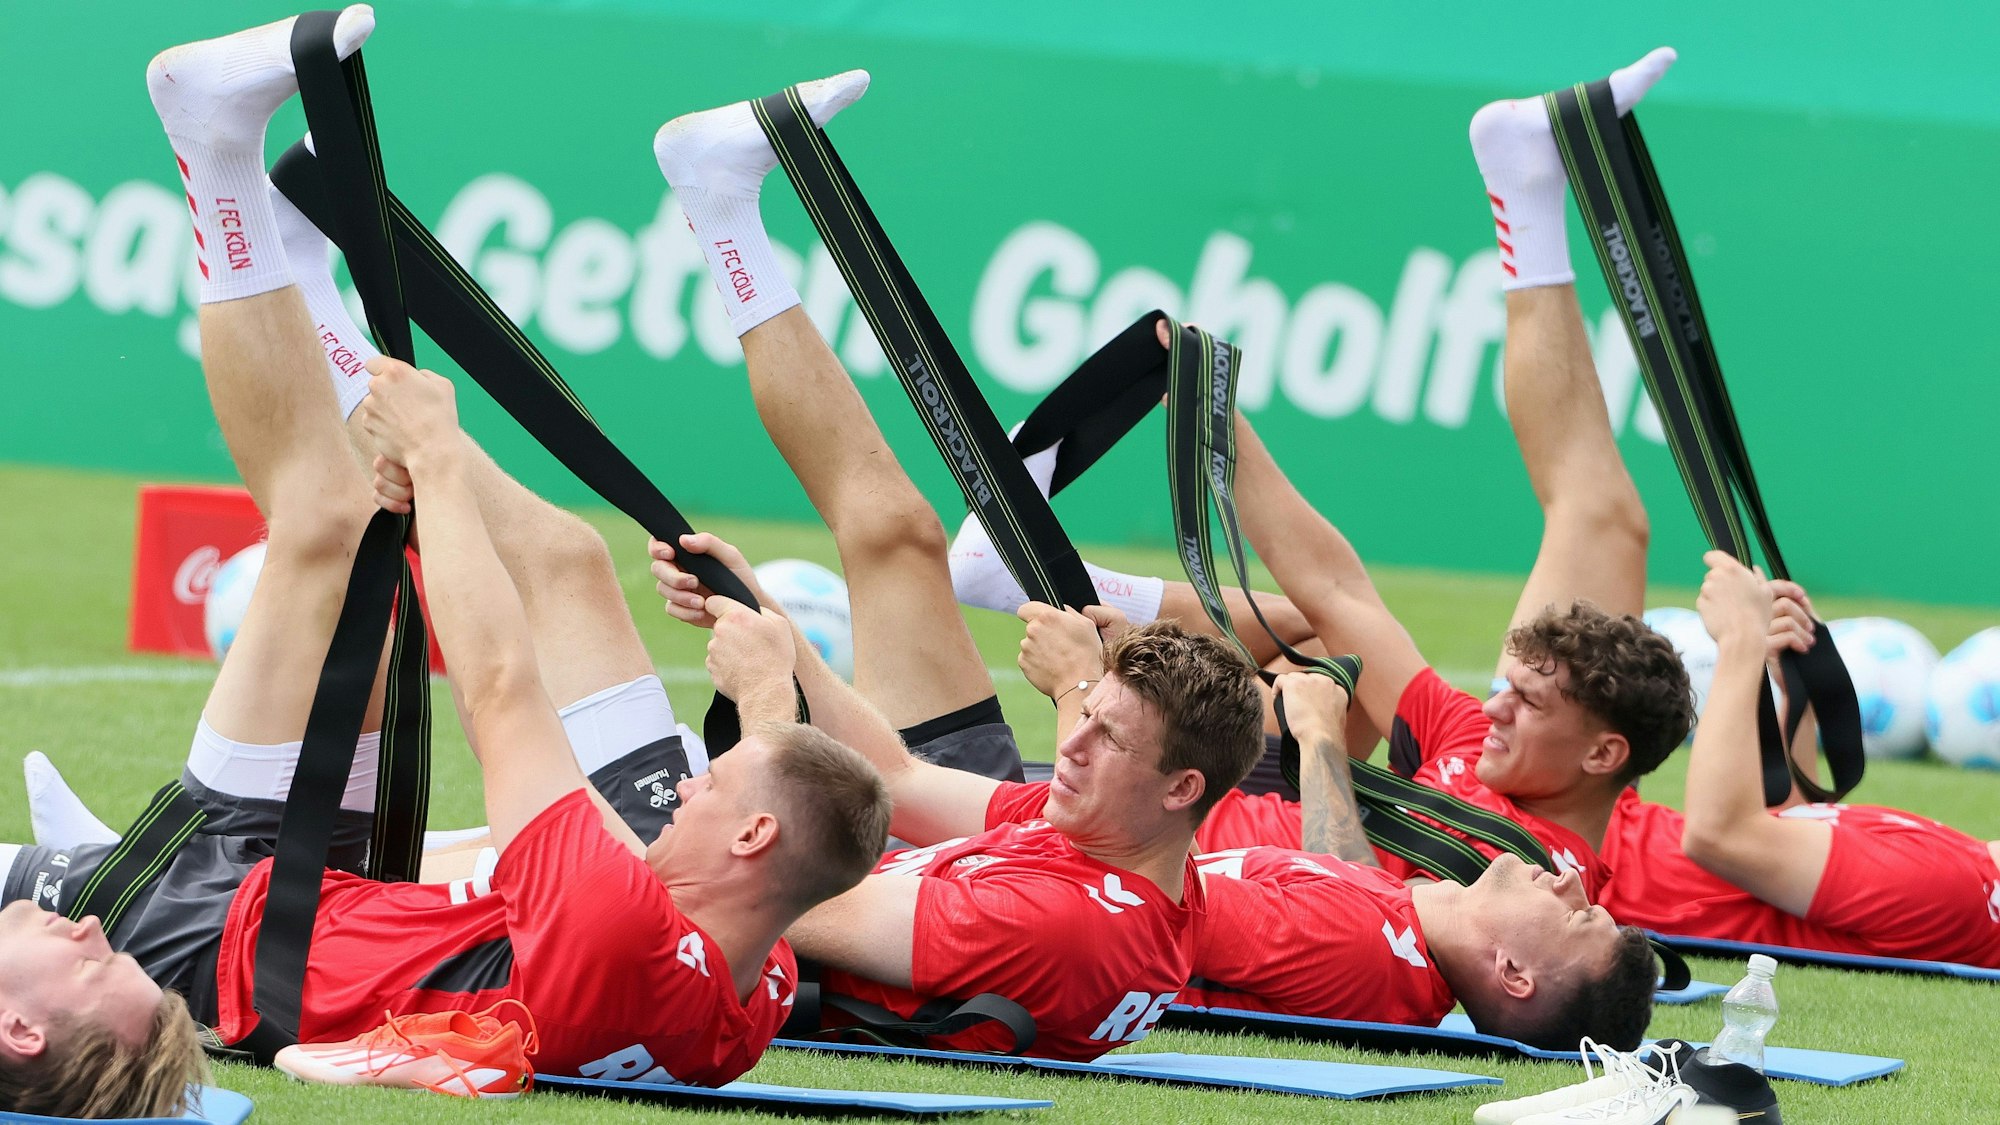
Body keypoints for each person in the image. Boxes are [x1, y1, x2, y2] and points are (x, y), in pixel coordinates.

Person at [0, 11, 892, 1115]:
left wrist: (436, 458)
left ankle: (209, 147)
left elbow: (503, 686)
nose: (683, 790)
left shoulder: (634, 929)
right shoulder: (748, 997)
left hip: (210, 919)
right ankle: (227, 161)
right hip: (323, 892)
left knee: (324, 518)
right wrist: (764, 698)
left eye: (708, 785)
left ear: (751, 836)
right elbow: (763, 839)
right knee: (345, 533)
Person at [1190, 47, 2000, 968]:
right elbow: (1342, 591)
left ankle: (1525, 190)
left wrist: (1741, 653)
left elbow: (1727, 835)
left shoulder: (1526, 865)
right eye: (1513, 693)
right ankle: (1523, 187)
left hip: (1574, 837)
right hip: (1576, 802)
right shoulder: (1485, 743)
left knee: (1583, 521)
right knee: (1600, 516)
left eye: (1519, 697)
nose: (1499, 704)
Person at [646, 72, 1267, 1061]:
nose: (1064, 740)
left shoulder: (1066, 918)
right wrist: (765, 616)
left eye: (1103, 735)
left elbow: (750, 886)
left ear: (1182, 788)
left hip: (741, 915)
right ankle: (717, 199)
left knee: (556, 574)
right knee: (895, 529)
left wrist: (767, 704)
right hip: (882, 862)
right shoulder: (1097, 829)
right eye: (1090, 718)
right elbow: (892, 769)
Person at [1187, 671, 1658, 1051]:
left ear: (1513, 972)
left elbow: (1156, 906)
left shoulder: (1360, 942)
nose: (1571, 880)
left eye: (1578, 914)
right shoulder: (1401, 938)